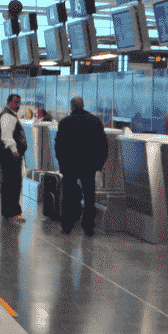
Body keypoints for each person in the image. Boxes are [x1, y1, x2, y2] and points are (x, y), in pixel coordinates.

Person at [54, 96, 109, 237]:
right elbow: (103, 145)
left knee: (68, 196)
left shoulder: (65, 122)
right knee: (89, 196)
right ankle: (88, 227)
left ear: (72, 106)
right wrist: (100, 163)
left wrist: (62, 164)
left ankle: (67, 226)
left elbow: (59, 146)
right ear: (83, 105)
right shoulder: (94, 121)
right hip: (88, 165)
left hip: (70, 166)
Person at [0, 93, 27, 223]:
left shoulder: (9, 114)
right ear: (9, 102)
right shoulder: (7, 115)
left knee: (9, 183)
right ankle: (13, 212)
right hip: (10, 155)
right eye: (15, 102)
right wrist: (15, 151)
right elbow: (6, 136)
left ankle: (8, 211)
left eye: (19, 102)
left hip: (8, 154)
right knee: (13, 184)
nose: (17, 105)